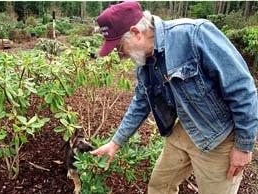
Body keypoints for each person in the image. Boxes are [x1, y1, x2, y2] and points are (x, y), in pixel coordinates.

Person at [90, 1, 258, 194]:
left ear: (136, 33)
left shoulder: (194, 34)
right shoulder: (145, 62)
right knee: (159, 187)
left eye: (120, 48)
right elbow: (141, 103)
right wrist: (115, 143)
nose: (120, 56)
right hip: (185, 129)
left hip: (220, 136)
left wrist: (243, 147)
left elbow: (242, 89)